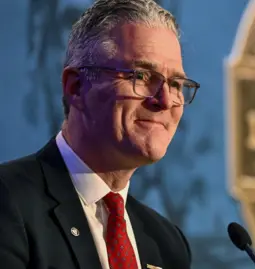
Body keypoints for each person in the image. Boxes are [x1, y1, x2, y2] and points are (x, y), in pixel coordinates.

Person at [0, 0, 200, 268]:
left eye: (175, 84)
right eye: (141, 76)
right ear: (76, 87)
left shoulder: (166, 242)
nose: (164, 101)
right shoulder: (9, 201)